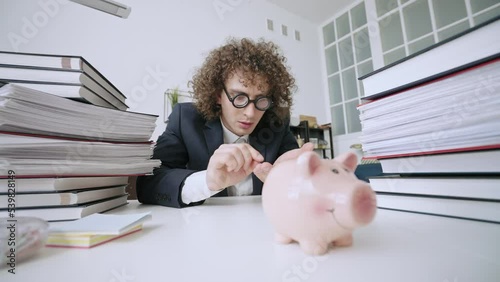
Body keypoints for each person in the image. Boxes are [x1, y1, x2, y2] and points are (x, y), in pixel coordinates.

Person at [136, 37, 313, 208]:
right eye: (239, 97)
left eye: (261, 100)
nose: (250, 113)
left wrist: (293, 176)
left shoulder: (276, 124)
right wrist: (208, 181)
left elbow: (304, 188)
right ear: (218, 95)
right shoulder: (186, 119)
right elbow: (148, 182)